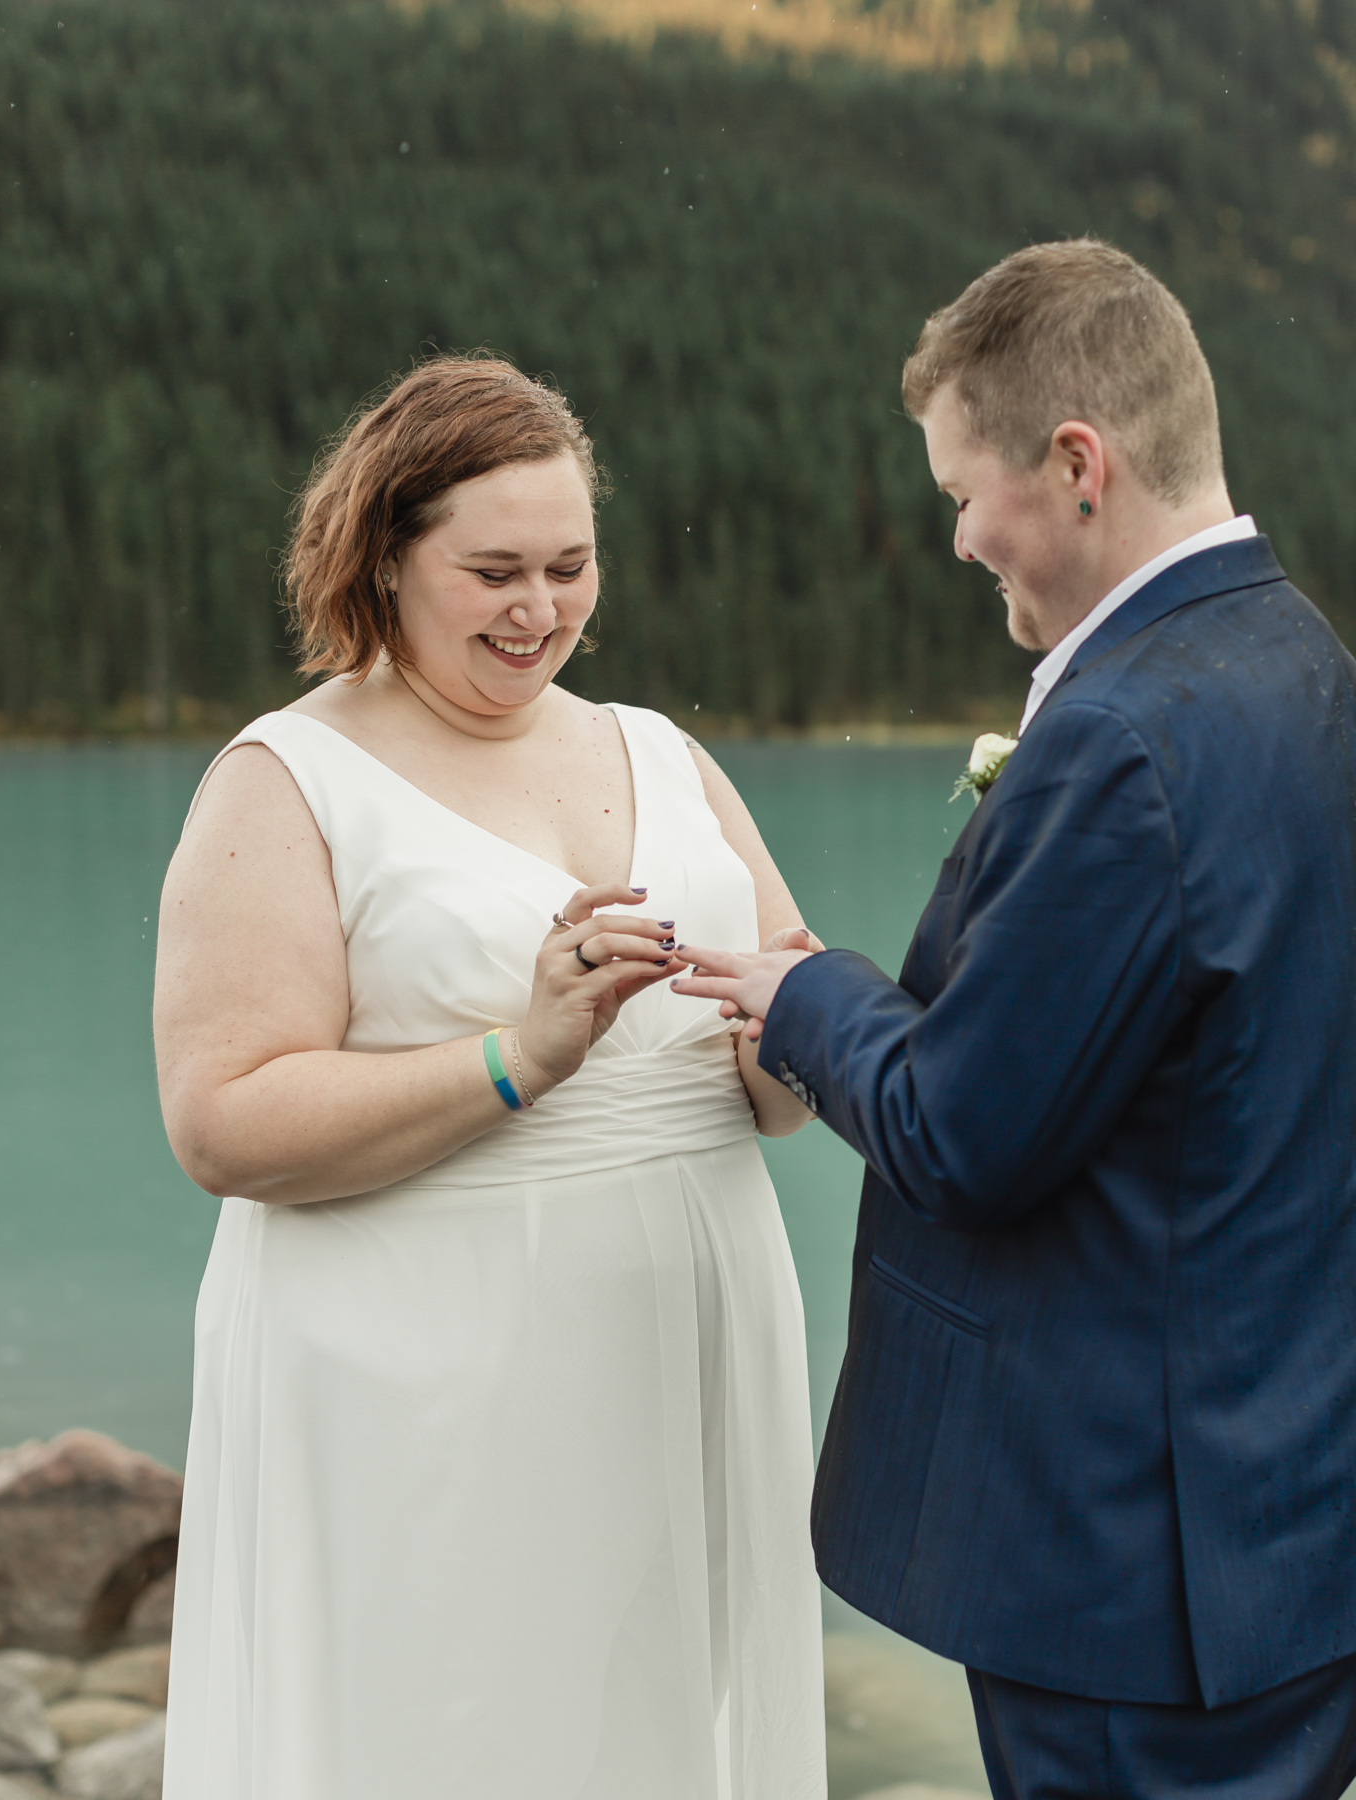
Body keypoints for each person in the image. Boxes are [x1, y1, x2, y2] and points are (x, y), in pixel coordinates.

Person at [673, 240, 1356, 1797]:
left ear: (1078, 463)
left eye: (965, 490)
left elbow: (966, 1130)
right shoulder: (1303, 660)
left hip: (1131, 1572)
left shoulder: (1126, 735)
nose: (963, 536)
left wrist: (805, 994)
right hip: (1283, 1525)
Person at [153, 356, 826, 1800]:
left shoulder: (663, 751)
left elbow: (780, 1038)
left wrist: (787, 1057)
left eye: (570, 568)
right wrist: (520, 1058)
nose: (541, 611)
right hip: (432, 1379)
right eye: (496, 571)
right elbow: (222, 1121)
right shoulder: (288, 780)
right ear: (386, 560)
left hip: (693, 1350)